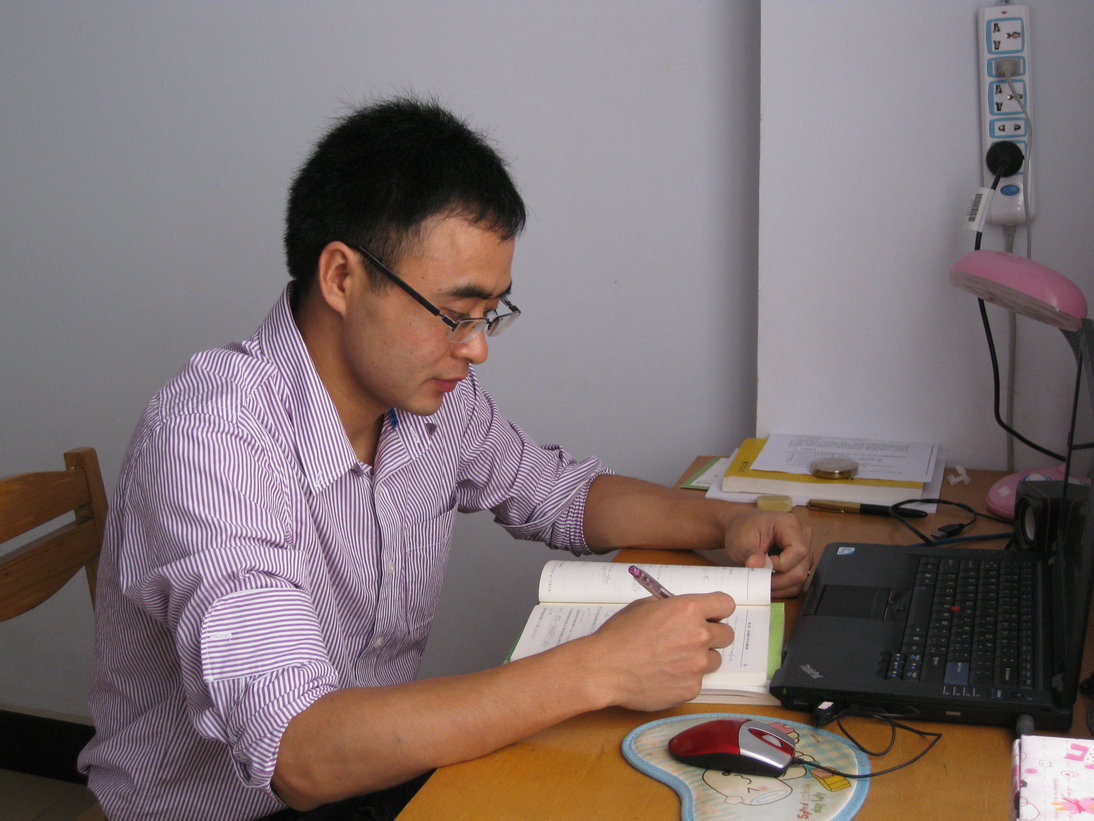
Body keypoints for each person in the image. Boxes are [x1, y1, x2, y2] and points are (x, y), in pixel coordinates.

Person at [78, 96, 811, 821]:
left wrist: (727, 521)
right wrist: (599, 668)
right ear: (341, 278)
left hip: (375, 782)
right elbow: (299, 753)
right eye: (455, 314)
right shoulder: (212, 436)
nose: (477, 347)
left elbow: (561, 494)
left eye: (490, 314)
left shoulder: (431, 401)